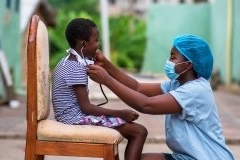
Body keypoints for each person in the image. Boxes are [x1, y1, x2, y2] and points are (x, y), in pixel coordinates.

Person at [87, 34, 235, 160]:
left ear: (188, 65)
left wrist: (107, 80)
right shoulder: (177, 83)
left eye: (173, 57)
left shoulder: (196, 90)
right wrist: (106, 64)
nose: (169, 61)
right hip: (184, 156)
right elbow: (137, 87)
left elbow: (146, 105)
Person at [51, 18, 147, 160]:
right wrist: (121, 113)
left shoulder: (68, 61)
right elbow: (86, 108)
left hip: (70, 116)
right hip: (73, 119)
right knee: (139, 132)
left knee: (137, 131)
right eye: (96, 40)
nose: (99, 44)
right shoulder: (76, 68)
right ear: (83, 44)